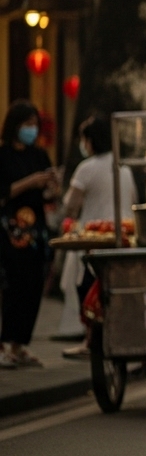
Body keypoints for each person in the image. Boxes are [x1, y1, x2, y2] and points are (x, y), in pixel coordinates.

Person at [56, 114, 137, 355]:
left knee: (87, 286)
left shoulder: (86, 168)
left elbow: (71, 205)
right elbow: (132, 199)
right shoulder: (124, 168)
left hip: (94, 237)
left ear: (90, 141)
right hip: (123, 234)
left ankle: (90, 340)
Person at [0, 101, 60, 368]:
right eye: (27, 125)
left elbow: (47, 195)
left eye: (35, 125)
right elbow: (4, 193)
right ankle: (5, 343)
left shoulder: (39, 155)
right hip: (11, 229)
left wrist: (51, 188)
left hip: (37, 230)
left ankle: (21, 344)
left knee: (34, 285)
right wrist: (30, 182)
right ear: (15, 126)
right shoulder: (3, 156)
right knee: (13, 284)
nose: (32, 130)